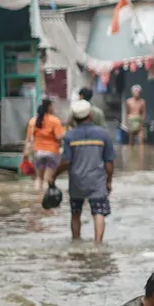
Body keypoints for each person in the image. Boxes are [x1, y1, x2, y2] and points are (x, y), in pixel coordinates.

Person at [49, 100, 115, 243]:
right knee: (98, 213)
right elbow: (109, 163)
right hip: (97, 181)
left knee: (75, 213)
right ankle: (98, 244)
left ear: (74, 117)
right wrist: (109, 181)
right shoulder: (103, 135)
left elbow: (66, 161)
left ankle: (76, 241)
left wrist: (53, 175)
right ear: (90, 115)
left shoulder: (70, 136)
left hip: (76, 182)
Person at [25, 97, 65, 193]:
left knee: (39, 178)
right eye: (52, 106)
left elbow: (29, 139)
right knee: (48, 178)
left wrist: (25, 154)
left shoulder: (33, 121)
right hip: (52, 152)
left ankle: (37, 198)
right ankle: (45, 199)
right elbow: (59, 137)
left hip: (38, 152)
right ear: (49, 107)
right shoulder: (55, 120)